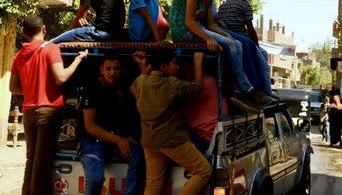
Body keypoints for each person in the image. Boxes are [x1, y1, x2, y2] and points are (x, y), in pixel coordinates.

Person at [169, 0, 276, 108]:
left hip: (197, 28)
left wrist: (225, 35)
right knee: (232, 45)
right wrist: (208, 39)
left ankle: (240, 90)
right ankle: (247, 90)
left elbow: (211, 24)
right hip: (182, 30)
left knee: (236, 42)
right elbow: (188, 21)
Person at [9, 14, 88, 195]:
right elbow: (61, 78)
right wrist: (78, 59)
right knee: (42, 162)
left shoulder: (19, 55)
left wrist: (33, 89)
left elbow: (13, 87)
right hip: (49, 111)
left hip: (29, 112)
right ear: (44, 29)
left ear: (24, 33)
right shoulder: (50, 49)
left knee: (31, 160)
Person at [131, 50, 212, 195]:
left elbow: (137, 84)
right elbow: (198, 88)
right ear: (163, 67)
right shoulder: (172, 84)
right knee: (204, 171)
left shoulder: (140, 82)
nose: (178, 67)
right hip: (173, 141)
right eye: (174, 64)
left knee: (153, 185)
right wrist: (198, 62)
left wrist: (148, 65)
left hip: (150, 142)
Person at [80, 54, 145, 195]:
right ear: (101, 69)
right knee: (95, 180)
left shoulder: (124, 84)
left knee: (139, 157)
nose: (112, 72)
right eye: (108, 68)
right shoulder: (91, 88)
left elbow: (144, 88)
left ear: (121, 70)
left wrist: (141, 64)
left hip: (119, 135)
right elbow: (90, 126)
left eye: (116, 69)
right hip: (94, 140)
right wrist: (119, 140)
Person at [218, 0, 272, 96]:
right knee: (265, 63)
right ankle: (268, 94)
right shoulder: (245, 5)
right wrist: (256, 46)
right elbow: (251, 29)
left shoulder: (223, 5)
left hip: (227, 38)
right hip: (243, 40)